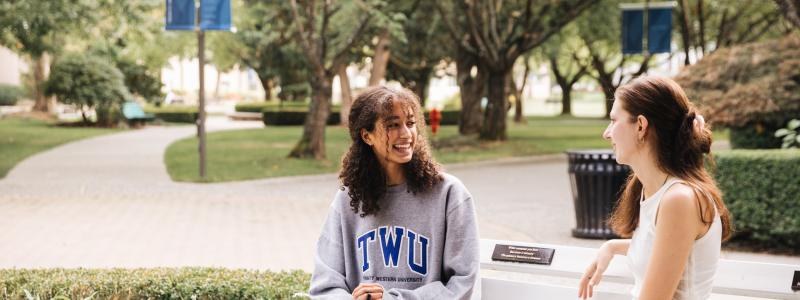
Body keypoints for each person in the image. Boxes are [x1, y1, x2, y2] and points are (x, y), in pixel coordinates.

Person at [309, 86, 480, 300]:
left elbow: (462, 283)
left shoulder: (449, 194)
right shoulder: (348, 199)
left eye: (410, 123)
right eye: (393, 125)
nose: (406, 134)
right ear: (367, 136)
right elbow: (324, 286)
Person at [578, 76, 733, 300]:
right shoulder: (655, 190)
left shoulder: (679, 199)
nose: (607, 133)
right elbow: (662, 246)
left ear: (641, 126)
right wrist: (612, 246)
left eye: (613, 120)